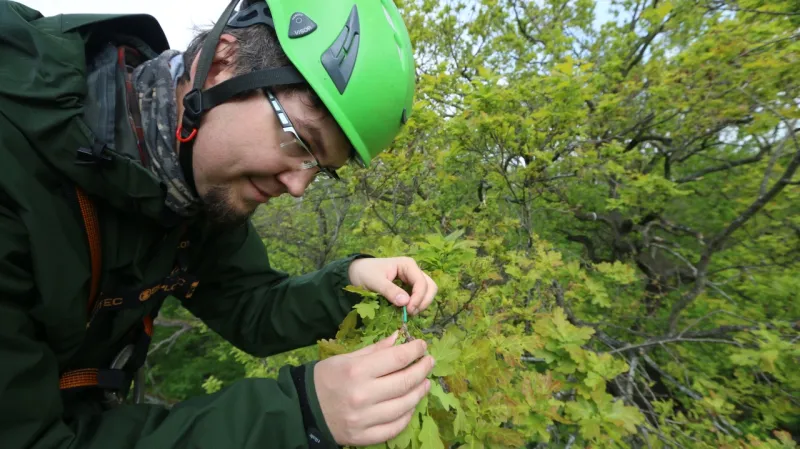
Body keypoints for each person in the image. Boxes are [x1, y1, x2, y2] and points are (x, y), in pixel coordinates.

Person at [0, 0, 437, 447]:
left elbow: (251, 307)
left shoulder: (189, 188)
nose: (299, 186)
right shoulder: (15, 172)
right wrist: (299, 415)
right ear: (222, 65)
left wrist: (350, 284)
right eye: (300, 139)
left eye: (319, 167)